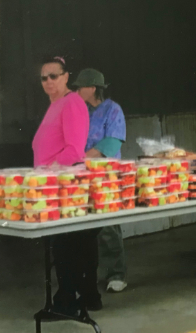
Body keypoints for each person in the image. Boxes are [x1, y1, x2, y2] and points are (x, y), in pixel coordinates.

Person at [32, 56, 102, 316]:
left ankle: (68, 301)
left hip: (64, 185)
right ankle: (82, 297)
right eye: (43, 77)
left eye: (54, 76)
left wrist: (48, 171)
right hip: (53, 186)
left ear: (66, 77)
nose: (48, 81)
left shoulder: (71, 102)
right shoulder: (56, 105)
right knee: (68, 245)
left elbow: (74, 150)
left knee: (67, 245)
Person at [74, 69, 128, 293]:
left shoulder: (113, 110)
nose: (76, 91)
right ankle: (85, 275)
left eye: (80, 87)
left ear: (93, 88)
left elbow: (112, 142)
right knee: (80, 226)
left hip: (106, 176)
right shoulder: (79, 111)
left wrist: (82, 157)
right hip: (80, 175)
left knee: (107, 226)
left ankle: (116, 274)